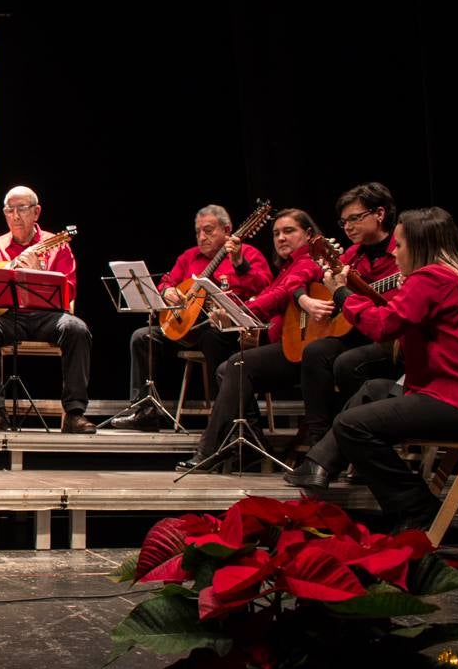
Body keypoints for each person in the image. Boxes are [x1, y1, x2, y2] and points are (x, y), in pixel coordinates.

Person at [287, 207, 458, 532]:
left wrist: (342, 292)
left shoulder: (431, 278)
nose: (395, 252)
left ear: (418, 247)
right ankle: (318, 463)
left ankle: (416, 509)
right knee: (373, 389)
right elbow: (403, 317)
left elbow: (384, 325)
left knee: (351, 426)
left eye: (399, 246)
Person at [176, 208, 324, 471]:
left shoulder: (308, 262)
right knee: (227, 367)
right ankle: (253, 440)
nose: (280, 238)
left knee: (233, 364)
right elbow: (273, 292)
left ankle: (209, 449)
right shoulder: (288, 266)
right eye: (277, 233)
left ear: (309, 234)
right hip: (279, 342)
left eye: (289, 231)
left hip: (300, 351)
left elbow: (278, 293)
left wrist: (241, 311)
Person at [105, 204, 271, 431]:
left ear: (227, 229)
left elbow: (264, 286)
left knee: (214, 337)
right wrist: (166, 292)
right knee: (142, 337)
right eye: (198, 231)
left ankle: (221, 417)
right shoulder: (189, 257)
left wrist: (240, 264)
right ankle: (144, 410)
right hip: (187, 327)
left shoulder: (247, 254)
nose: (202, 237)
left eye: (209, 230)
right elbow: (166, 282)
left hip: (226, 330)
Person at [0, 185, 94, 434]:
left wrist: (40, 273)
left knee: (77, 329)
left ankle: (74, 413)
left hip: (48, 317)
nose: (16, 216)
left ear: (36, 212)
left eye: (22, 209)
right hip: (7, 317)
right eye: (10, 210)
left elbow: (69, 290)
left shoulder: (57, 246)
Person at [296, 182, 403, 450]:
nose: (348, 227)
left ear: (379, 214)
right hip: (359, 331)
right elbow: (303, 276)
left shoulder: (403, 251)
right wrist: (304, 298)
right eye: (343, 222)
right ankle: (319, 443)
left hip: (392, 336)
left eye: (355, 218)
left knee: (347, 362)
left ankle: (362, 441)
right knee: (315, 351)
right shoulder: (350, 256)